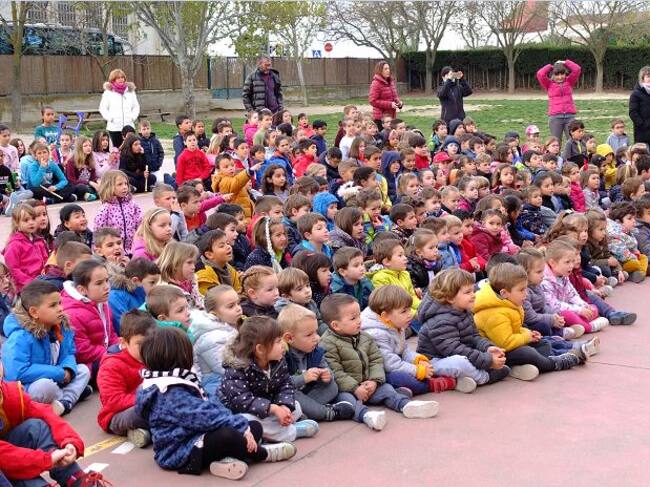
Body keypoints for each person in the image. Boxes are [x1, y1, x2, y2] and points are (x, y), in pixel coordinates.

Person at [136, 327, 296, 480]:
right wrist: (240, 426)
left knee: (254, 426)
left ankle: (226, 461)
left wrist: (241, 426)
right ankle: (262, 454)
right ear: (179, 356)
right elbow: (205, 417)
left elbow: (210, 406)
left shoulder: (175, 379)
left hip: (197, 436)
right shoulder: (168, 391)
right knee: (227, 436)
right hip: (180, 451)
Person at [320, 293, 439, 432]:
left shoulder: (365, 337)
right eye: (353, 318)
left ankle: (406, 406)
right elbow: (335, 372)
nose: (359, 321)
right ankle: (367, 416)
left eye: (359, 316)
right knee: (347, 402)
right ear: (336, 325)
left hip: (369, 385)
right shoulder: (327, 343)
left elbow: (376, 360)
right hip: (346, 389)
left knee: (387, 390)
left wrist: (374, 381)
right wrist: (355, 388)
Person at [0, 360, 106, 486]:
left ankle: (75, 478)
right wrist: (46, 459)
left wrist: (70, 442)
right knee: (12, 470)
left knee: (36, 427)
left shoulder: (9, 394)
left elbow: (46, 414)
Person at [474, 263, 585, 380]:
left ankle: (536, 363)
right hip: (499, 353)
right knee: (527, 352)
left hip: (511, 345)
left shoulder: (509, 303)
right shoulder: (494, 314)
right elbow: (505, 343)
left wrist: (528, 333)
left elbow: (514, 328)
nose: (526, 294)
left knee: (543, 343)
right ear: (504, 293)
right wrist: (526, 337)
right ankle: (553, 364)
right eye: (521, 290)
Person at [220, 316, 319, 442]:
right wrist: (272, 408)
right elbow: (241, 400)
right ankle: (291, 432)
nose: (284, 345)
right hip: (242, 413)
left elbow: (285, 385)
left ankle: (269, 434)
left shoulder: (277, 361)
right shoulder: (237, 368)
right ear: (260, 349)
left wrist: (284, 406)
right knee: (248, 421)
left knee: (296, 406)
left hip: (268, 411)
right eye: (278, 341)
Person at [2, 280, 92, 415]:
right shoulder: (20, 337)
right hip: (29, 387)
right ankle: (71, 395)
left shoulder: (62, 327)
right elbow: (17, 372)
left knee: (83, 370)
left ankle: (64, 402)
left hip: (57, 378)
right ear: (34, 312)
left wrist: (68, 369)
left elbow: (69, 352)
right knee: (44, 387)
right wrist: (59, 373)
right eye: (53, 305)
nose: (60, 308)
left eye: (60, 303)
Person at [278, 304, 355, 422]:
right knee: (293, 395)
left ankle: (307, 412)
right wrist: (303, 378)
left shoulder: (315, 351)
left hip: (309, 394)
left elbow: (327, 371)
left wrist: (326, 376)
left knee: (332, 387)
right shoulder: (282, 355)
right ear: (289, 338)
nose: (317, 338)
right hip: (291, 397)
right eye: (309, 335)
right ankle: (326, 413)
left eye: (316, 332)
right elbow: (279, 384)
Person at [97, 310, 155, 447]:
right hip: (117, 415)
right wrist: (148, 399)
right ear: (123, 342)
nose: (146, 348)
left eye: (151, 342)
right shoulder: (111, 365)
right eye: (140, 344)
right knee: (143, 413)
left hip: (148, 402)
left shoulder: (153, 355)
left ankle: (145, 432)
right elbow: (114, 400)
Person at [61, 259, 119, 379]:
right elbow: (82, 351)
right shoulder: (73, 313)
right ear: (82, 290)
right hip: (88, 366)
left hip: (105, 355)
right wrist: (112, 353)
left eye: (107, 280)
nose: (106, 287)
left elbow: (111, 334)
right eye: (99, 283)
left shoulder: (101, 301)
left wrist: (120, 347)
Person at [188, 285, 240, 397]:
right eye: (231, 306)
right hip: (215, 383)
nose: (238, 308)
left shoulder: (226, 326)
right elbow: (224, 367)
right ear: (214, 313)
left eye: (238, 303)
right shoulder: (211, 338)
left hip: (228, 378)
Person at [3, 203, 50, 293]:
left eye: (33, 219)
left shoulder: (39, 240)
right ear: (17, 223)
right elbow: (13, 269)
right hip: (26, 286)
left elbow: (46, 260)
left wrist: (49, 275)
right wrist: (30, 283)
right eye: (26, 220)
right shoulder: (14, 244)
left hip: (43, 280)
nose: (31, 222)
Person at [93, 170, 143, 254]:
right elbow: (98, 233)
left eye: (126, 184)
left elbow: (140, 225)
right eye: (120, 184)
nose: (124, 187)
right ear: (109, 186)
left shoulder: (133, 205)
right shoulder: (105, 209)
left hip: (133, 250)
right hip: (114, 252)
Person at [536, 59, 581, 145]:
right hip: (555, 117)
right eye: (557, 74)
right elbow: (540, 74)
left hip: (570, 116)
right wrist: (551, 66)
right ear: (553, 74)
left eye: (562, 74)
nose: (560, 77)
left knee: (573, 141)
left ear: (565, 74)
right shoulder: (549, 84)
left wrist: (565, 62)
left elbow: (577, 69)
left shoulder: (569, 81)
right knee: (556, 142)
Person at [99, 68, 140, 147]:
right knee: (117, 149)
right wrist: (111, 118)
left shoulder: (131, 92)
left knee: (130, 148)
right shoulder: (108, 93)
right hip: (114, 127)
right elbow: (103, 108)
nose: (121, 79)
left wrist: (132, 117)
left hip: (129, 126)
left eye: (122, 77)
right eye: (118, 78)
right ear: (113, 80)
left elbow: (136, 106)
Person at [368, 61, 402, 129]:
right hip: (381, 119)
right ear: (380, 70)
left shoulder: (391, 82)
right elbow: (372, 101)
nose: (388, 71)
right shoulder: (376, 83)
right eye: (385, 69)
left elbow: (394, 96)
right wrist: (390, 104)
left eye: (388, 68)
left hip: (391, 117)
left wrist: (399, 103)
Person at [629, 65, 650, 146]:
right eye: (648, 76)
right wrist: (643, 125)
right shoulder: (636, 94)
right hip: (643, 134)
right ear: (642, 78)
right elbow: (633, 112)